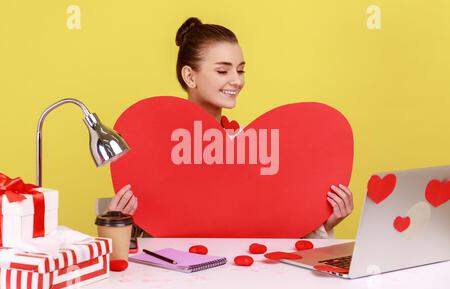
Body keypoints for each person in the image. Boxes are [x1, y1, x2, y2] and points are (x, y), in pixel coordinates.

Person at [108, 17, 354, 238]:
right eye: (223, 70)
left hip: (243, 280)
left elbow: (271, 226)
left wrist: (325, 223)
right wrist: (116, 221)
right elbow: (147, 238)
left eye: (241, 70)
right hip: (176, 281)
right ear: (190, 76)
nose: (237, 81)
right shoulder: (154, 144)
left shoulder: (254, 146)